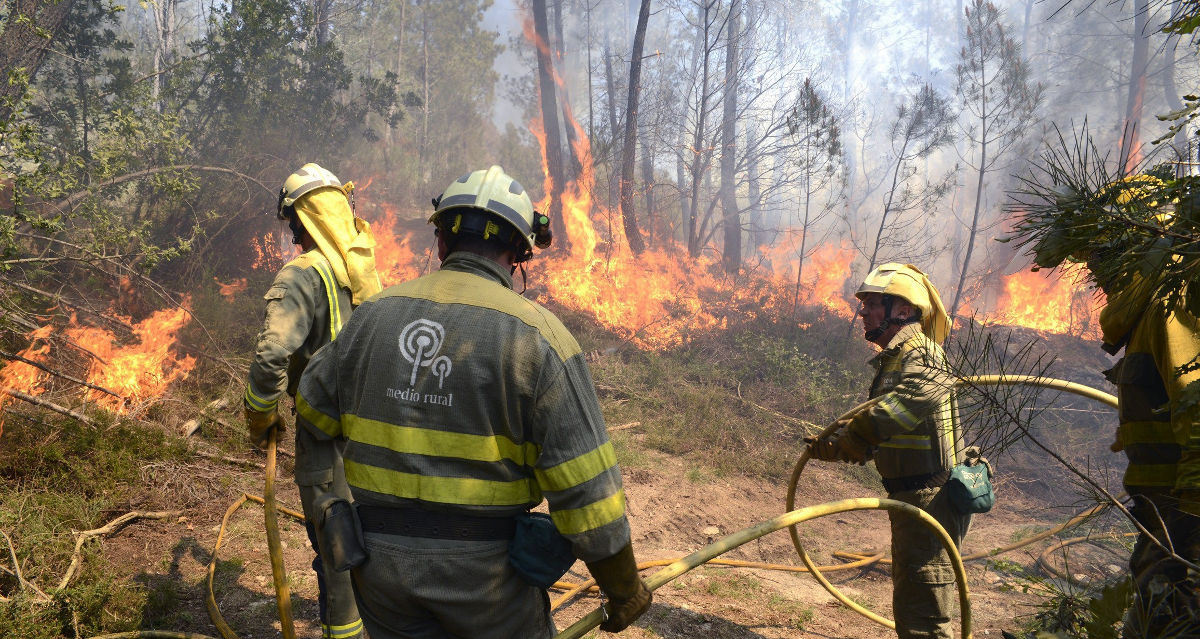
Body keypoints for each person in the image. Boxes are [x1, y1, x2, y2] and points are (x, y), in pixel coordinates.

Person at [293, 165, 652, 638]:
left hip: (380, 574)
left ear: (442, 241)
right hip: (488, 583)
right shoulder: (539, 338)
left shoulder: (371, 317)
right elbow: (589, 493)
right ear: (519, 253)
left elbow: (312, 410)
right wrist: (623, 589)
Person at [244, 162, 382, 639]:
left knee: (337, 550)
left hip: (328, 442)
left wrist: (260, 414)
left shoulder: (303, 274)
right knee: (375, 541)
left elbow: (271, 355)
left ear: (300, 219)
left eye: (292, 222)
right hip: (377, 435)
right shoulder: (360, 272)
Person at [805, 263, 968, 639]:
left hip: (931, 497)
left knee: (923, 612)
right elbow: (889, 431)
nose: (863, 313)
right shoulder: (897, 358)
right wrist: (837, 447)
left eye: (873, 304)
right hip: (912, 496)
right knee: (912, 599)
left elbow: (912, 401)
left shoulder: (922, 351)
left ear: (903, 310)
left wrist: (855, 434)